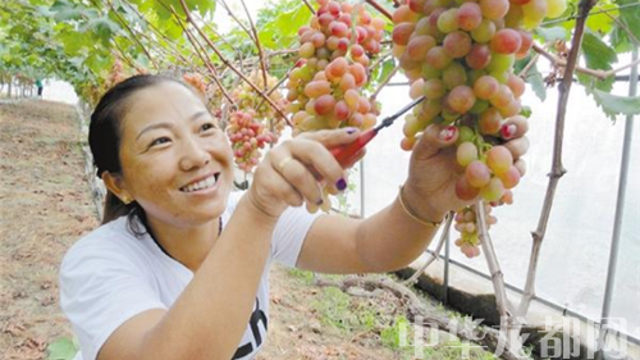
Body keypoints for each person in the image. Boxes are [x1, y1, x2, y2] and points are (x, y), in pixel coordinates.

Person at [58, 74, 529, 360]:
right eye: (160, 141)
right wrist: (260, 209)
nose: (197, 155)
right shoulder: (98, 261)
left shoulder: (248, 219)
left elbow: (370, 246)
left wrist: (424, 201)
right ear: (117, 183)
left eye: (205, 128)